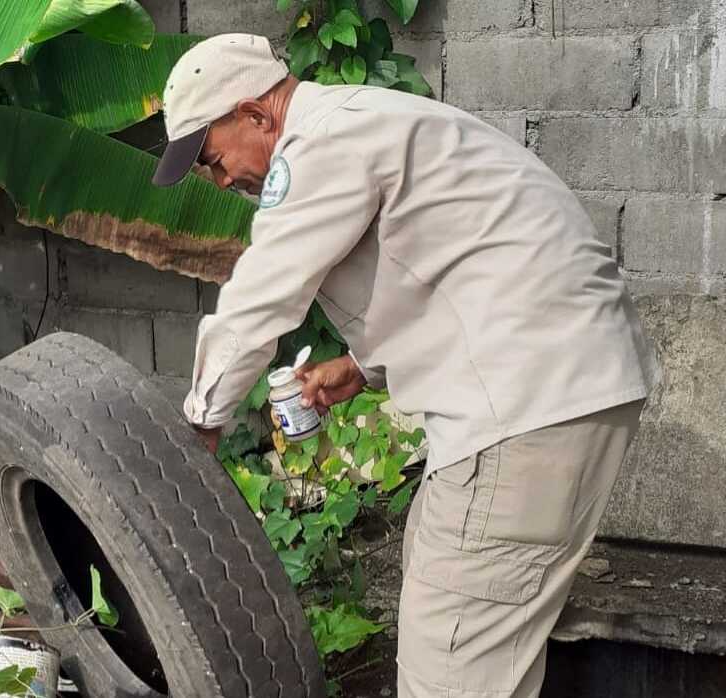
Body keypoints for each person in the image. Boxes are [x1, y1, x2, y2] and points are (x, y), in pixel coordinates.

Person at [151, 32, 660, 698]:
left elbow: (260, 293)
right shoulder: (366, 119)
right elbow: (459, 252)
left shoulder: (318, 146)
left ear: (256, 113)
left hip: (523, 404)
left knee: (451, 665)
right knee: (444, 592)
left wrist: (201, 425)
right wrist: (362, 366)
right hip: (561, 384)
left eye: (215, 161)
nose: (222, 182)